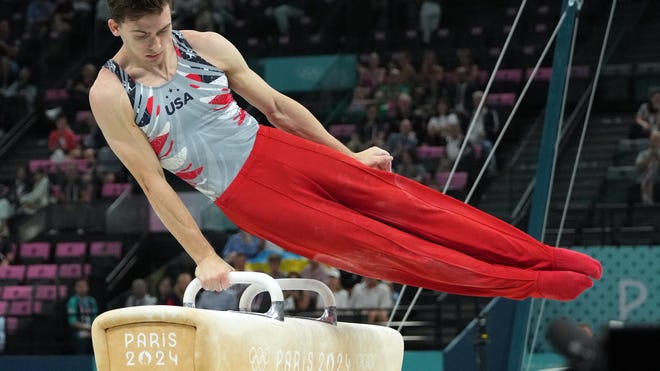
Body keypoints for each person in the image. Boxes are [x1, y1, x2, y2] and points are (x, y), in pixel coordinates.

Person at [88, 0, 602, 303]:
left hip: (277, 148)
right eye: (142, 36)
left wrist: (347, 157)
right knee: (392, 250)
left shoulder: (204, 43)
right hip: (245, 195)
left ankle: (544, 256)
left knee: (418, 206)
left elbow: (276, 106)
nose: (158, 44)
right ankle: (529, 283)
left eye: (162, 28)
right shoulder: (111, 94)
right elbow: (153, 183)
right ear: (115, 29)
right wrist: (203, 256)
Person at [66, 278, 98, 354]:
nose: (82, 288)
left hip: (92, 334)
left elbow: (96, 318)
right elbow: (72, 322)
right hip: (79, 334)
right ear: (75, 288)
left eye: (84, 286)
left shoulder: (92, 301)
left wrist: (92, 329)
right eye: (79, 286)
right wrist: (87, 327)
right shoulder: (73, 301)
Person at [635, 130, 660, 205]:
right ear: (650, 141)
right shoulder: (643, 153)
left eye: (657, 140)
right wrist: (648, 158)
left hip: (658, 180)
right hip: (646, 178)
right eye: (653, 139)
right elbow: (638, 165)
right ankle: (646, 202)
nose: (655, 142)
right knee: (645, 181)